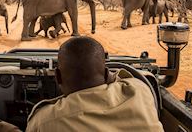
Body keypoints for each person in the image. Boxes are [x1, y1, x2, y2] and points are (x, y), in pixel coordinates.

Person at [26, 36, 164, 132]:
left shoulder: (43, 122)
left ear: (57, 77)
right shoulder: (139, 90)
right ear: (105, 74)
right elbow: (122, 77)